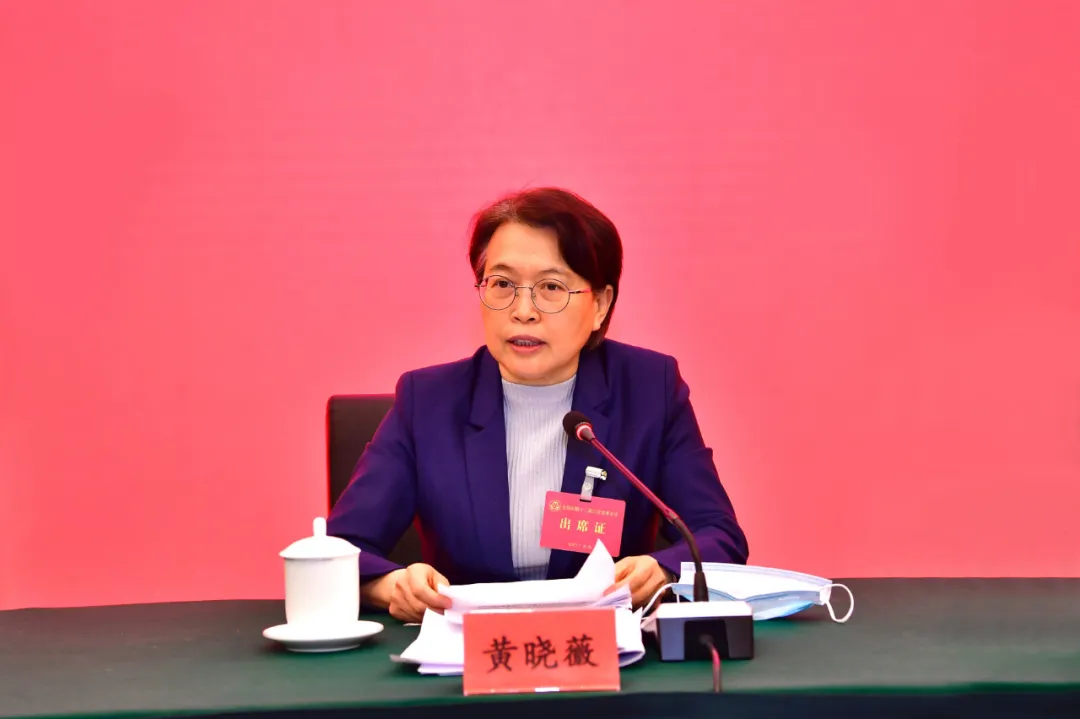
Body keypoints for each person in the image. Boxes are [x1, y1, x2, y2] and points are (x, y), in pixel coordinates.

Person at [327, 187, 748, 623]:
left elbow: (718, 536)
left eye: (551, 287)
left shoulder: (648, 390)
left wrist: (663, 571)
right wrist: (392, 586)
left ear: (600, 305)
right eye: (502, 284)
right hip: (467, 649)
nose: (523, 310)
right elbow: (339, 552)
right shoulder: (428, 401)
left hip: (606, 649)